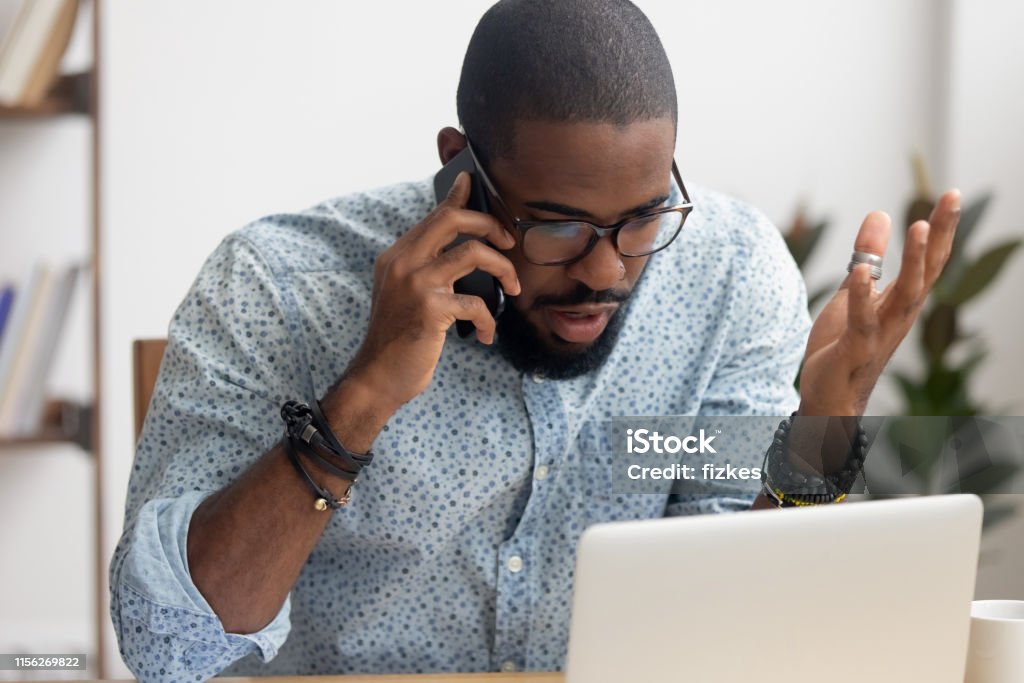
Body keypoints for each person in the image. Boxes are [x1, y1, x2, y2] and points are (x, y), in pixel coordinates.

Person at [109, 0, 961, 680]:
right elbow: (170, 646)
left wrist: (825, 421)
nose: (607, 271)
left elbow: (742, 616)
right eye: (558, 226)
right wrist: (364, 392)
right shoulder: (275, 286)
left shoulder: (729, 272)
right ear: (461, 169)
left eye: (641, 219)